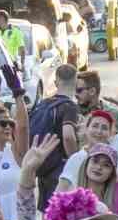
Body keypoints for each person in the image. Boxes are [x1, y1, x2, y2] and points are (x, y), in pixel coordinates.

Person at [26, 65, 81, 201]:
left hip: (43, 166)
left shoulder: (44, 103)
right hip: (60, 169)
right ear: (76, 82)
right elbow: (68, 136)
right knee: (61, 208)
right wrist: (75, 160)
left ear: (56, 83)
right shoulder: (69, 106)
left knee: (47, 209)